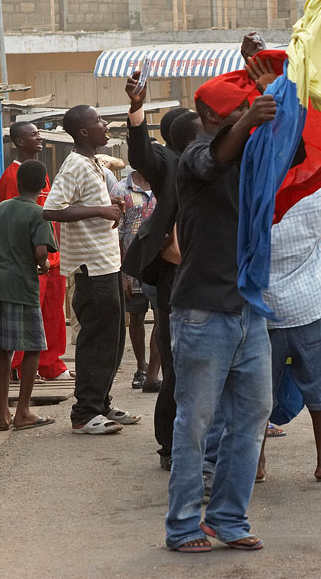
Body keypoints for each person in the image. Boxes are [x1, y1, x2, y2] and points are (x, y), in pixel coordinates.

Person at [164, 76, 276, 553]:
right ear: (214, 118)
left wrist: (272, 88)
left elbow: (291, 151)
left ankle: (228, 518)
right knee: (196, 423)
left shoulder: (251, 157)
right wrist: (250, 117)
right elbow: (215, 160)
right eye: (241, 112)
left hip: (248, 308)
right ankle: (184, 526)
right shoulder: (195, 155)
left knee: (252, 416)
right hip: (203, 311)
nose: (249, 118)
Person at [43, 105, 139, 434]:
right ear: (84, 132)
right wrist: (100, 210)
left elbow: (89, 207)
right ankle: (84, 413)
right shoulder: (74, 166)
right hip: (90, 267)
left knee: (113, 338)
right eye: (99, 121)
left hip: (107, 263)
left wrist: (112, 208)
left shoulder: (95, 163)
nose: (106, 124)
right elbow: (51, 210)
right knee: (97, 339)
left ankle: (102, 403)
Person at [256, 179, 321, 484]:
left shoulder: (254, 180)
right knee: (320, 383)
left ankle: (256, 464)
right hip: (310, 305)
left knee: (258, 391)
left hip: (264, 309)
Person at [121, 71, 194, 469]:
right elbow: (141, 155)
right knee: (175, 360)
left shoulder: (216, 161)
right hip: (172, 277)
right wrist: (136, 109)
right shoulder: (170, 162)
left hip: (209, 277)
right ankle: (169, 446)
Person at [0, 160, 58, 431]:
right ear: (43, 185)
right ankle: (23, 411)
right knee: (34, 346)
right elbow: (41, 252)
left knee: (4, 348)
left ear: (18, 183)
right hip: (20, 285)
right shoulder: (39, 212)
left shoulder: (1, 207)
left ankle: (3, 413)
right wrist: (44, 265)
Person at [0, 121, 71, 383]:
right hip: (31, 260)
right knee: (29, 314)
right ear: (19, 142)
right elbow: (12, 220)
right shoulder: (11, 177)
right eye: (34, 135)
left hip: (52, 256)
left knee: (53, 313)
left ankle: (51, 364)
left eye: (39, 134)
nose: (40, 139)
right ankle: (19, 365)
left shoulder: (39, 172)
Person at [109, 167, 161, 391]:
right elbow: (116, 233)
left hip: (159, 266)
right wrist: (123, 273)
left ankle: (153, 374)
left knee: (161, 319)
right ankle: (141, 366)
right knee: (137, 317)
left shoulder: (163, 186)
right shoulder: (121, 190)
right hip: (133, 267)